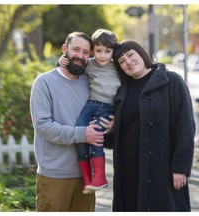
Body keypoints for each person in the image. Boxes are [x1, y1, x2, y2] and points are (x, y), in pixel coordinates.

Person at [105, 39, 195, 211]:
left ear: (142, 54)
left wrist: (181, 168)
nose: (128, 62)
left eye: (131, 55)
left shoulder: (171, 81)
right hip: (128, 172)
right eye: (121, 61)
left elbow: (186, 127)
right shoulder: (122, 90)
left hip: (162, 172)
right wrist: (111, 131)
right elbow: (120, 133)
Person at [29, 31, 107, 212]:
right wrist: (82, 134)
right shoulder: (44, 82)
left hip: (86, 177)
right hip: (55, 176)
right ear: (65, 49)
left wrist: (108, 126)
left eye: (86, 52)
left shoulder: (90, 82)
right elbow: (43, 126)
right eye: (76, 49)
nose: (80, 56)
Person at [58, 29, 120, 194]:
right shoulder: (89, 65)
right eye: (98, 51)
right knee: (80, 131)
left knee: (96, 136)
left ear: (113, 51)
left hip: (108, 108)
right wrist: (61, 61)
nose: (103, 56)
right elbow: (73, 66)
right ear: (92, 51)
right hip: (91, 104)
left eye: (107, 51)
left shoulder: (118, 67)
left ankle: (100, 177)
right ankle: (87, 179)